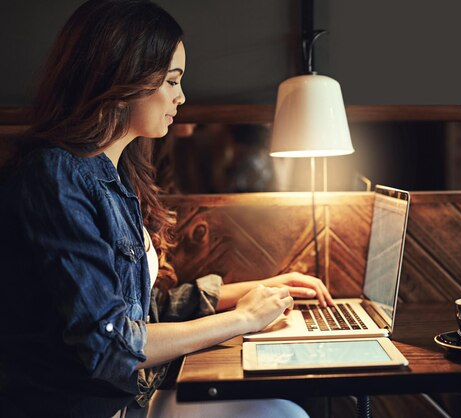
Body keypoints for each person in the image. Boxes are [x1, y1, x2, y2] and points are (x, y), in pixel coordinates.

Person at [0, 1, 332, 417]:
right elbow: (112, 343)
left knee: (282, 410)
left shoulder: (112, 175)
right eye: (172, 81)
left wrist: (255, 291)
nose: (181, 96)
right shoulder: (56, 177)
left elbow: (142, 312)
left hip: (133, 400)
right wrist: (243, 320)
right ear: (125, 78)